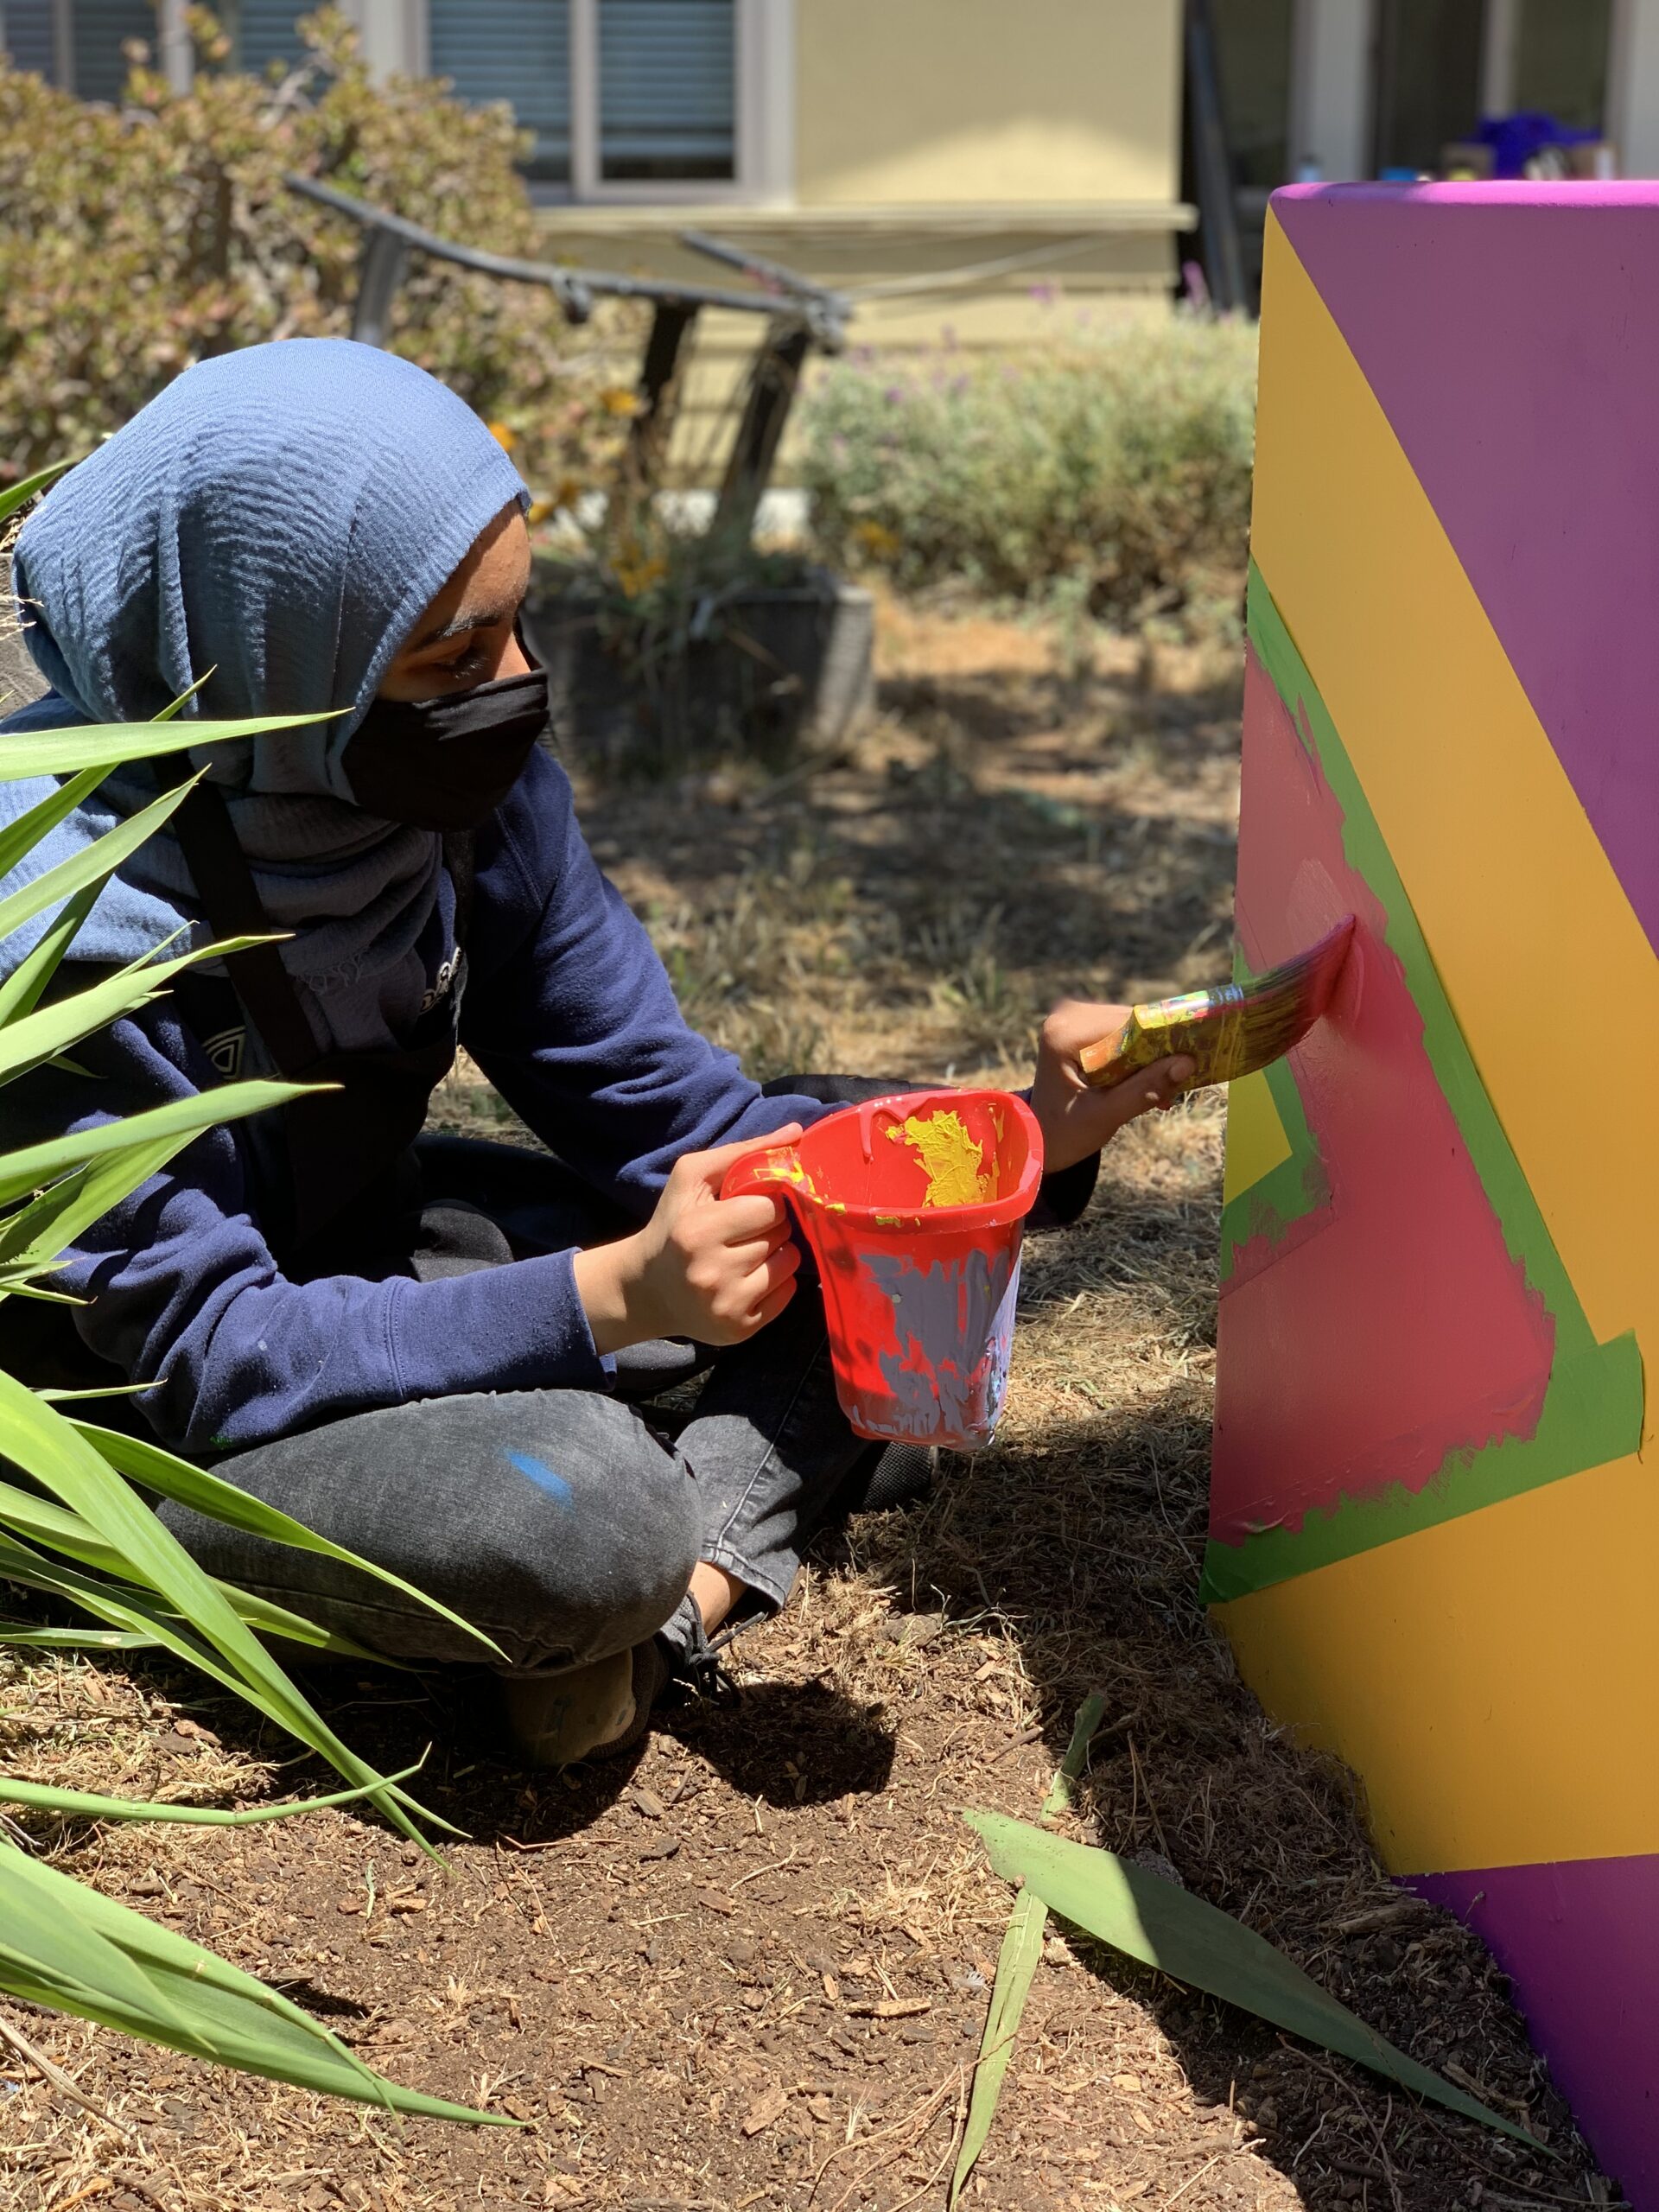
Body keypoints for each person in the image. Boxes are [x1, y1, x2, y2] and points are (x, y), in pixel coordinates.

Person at [0, 341, 1192, 1764]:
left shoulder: (457, 806)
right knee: (583, 1515)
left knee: (826, 1227)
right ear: (275, 658)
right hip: (142, 1406)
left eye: (522, 625)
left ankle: (681, 1600)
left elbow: (680, 1119)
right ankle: (665, 1537)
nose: (519, 684)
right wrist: (619, 1296)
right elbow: (212, 1355)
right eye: (456, 658)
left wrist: (1030, 1130)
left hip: (359, 1260)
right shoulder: (68, 926)